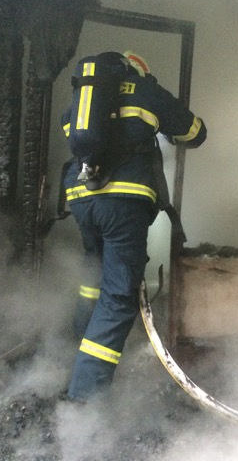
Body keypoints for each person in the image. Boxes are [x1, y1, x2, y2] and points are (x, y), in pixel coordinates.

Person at [60, 51, 207, 402]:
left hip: (82, 198)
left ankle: (70, 355)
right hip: (123, 203)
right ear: (138, 72)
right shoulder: (145, 91)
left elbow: (74, 137)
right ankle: (84, 398)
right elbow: (195, 132)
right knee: (118, 297)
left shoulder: (82, 102)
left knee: (93, 278)